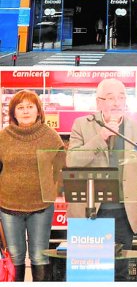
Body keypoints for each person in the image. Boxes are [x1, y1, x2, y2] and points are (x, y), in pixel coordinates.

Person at [66, 78, 137, 281]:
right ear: (98, 102)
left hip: (124, 214)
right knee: (89, 272)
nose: (116, 102)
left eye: (121, 97)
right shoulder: (82, 125)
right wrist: (101, 137)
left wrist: (130, 193)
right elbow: (72, 160)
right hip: (89, 212)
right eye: (110, 98)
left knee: (120, 271)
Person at [0, 90, 65, 281]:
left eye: (30, 107)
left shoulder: (50, 136)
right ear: (13, 113)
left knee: (39, 255)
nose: (26, 111)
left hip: (41, 207)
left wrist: (52, 189)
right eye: (20, 107)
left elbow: (61, 167)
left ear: (38, 111)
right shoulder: (3, 137)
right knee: (15, 256)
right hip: (8, 206)